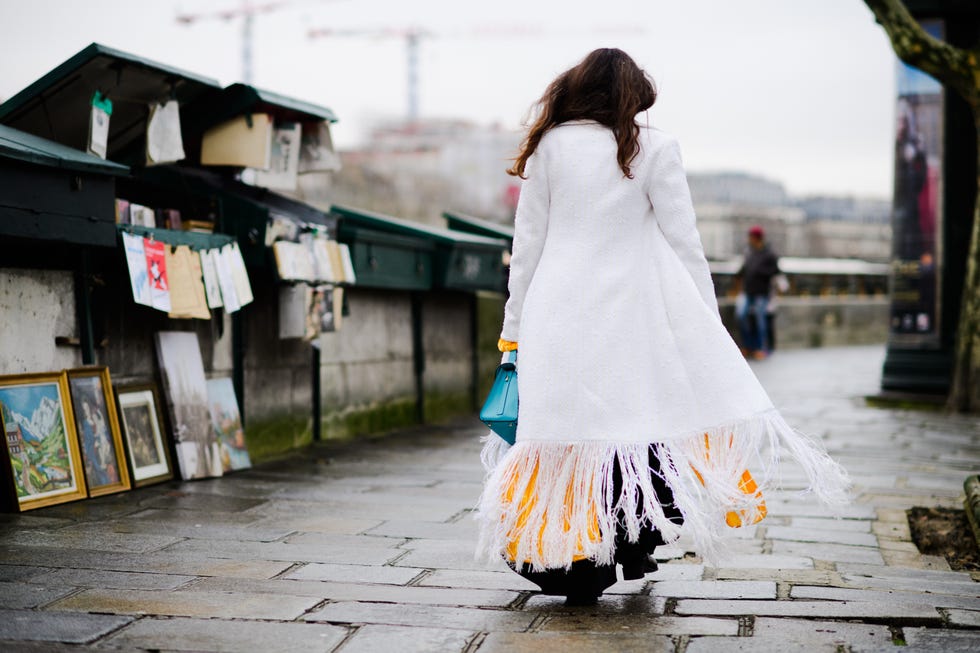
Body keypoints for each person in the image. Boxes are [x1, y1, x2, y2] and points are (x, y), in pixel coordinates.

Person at [476, 48, 848, 606]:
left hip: (556, 313)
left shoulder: (549, 148)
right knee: (636, 430)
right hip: (629, 316)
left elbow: (525, 252)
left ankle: (574, 554)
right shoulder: (655, 148)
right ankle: (631, 536)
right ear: (631, 98)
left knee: (565, 439)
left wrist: (512, 333)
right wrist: (709, 322)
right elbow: (686, 246)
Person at [735, 225, 780, 359]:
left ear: (756, 238)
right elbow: (743, 269)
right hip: (748, 291)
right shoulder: (750, 252)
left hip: (761, 292)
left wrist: (758, 272)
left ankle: (761, 348)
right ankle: (748, 346)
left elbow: (775, 271)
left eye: (751, 237)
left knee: (761, 320)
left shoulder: (769, 254)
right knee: (741, 316)